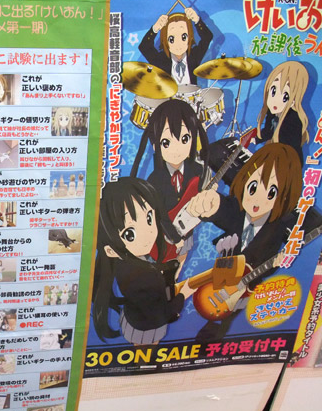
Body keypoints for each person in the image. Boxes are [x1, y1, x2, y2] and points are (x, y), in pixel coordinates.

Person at [187, 142, 303, 342]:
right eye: (253, 187)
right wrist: (211, 204)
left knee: (228, 317)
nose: (257, 200)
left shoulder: (278, 226)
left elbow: (271, 257)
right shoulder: (238, 209)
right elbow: (224, 209)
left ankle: (217, 334)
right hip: (223, 274)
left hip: (247, 285)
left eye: (271, 193)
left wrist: (277, 263)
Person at [92, 177, 194, 345]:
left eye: (149, 218)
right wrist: (184, 294)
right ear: (110, 250)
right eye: (130, 234)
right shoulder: (141, 275)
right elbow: (160, 315)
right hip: (146, 327)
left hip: (134, 317)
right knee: (147, 350)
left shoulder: (126, 261)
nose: (148, 233)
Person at [131, 99, 209, 267]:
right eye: (166, 142)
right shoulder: (154, 180)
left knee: (181, 263)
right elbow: (160, 216)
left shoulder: (197, 170)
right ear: (155, 145)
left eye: (185, 139)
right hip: (162, 238)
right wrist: (175, 238)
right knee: (160, 269)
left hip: (187, 229)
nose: (176, 149)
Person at [138, 8, 213, 85]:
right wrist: (155, 29)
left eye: (184, 37)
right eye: (171, 39)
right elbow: (144, 47)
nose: (178, 44)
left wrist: (197, 20)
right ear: (165, 40)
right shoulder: (161, 60)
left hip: (192, 92)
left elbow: (207, 37)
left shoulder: (194, 56)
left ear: (190, 37)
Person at [254, 61, 309, 164]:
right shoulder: (272, 111)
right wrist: (255, 139)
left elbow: (289, 149)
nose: (275, 101)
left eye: (285, 96)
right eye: (273, 91)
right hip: (274, 153)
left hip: (289, 162)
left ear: (294, 100)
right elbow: (268, 131)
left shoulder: (294, 120)